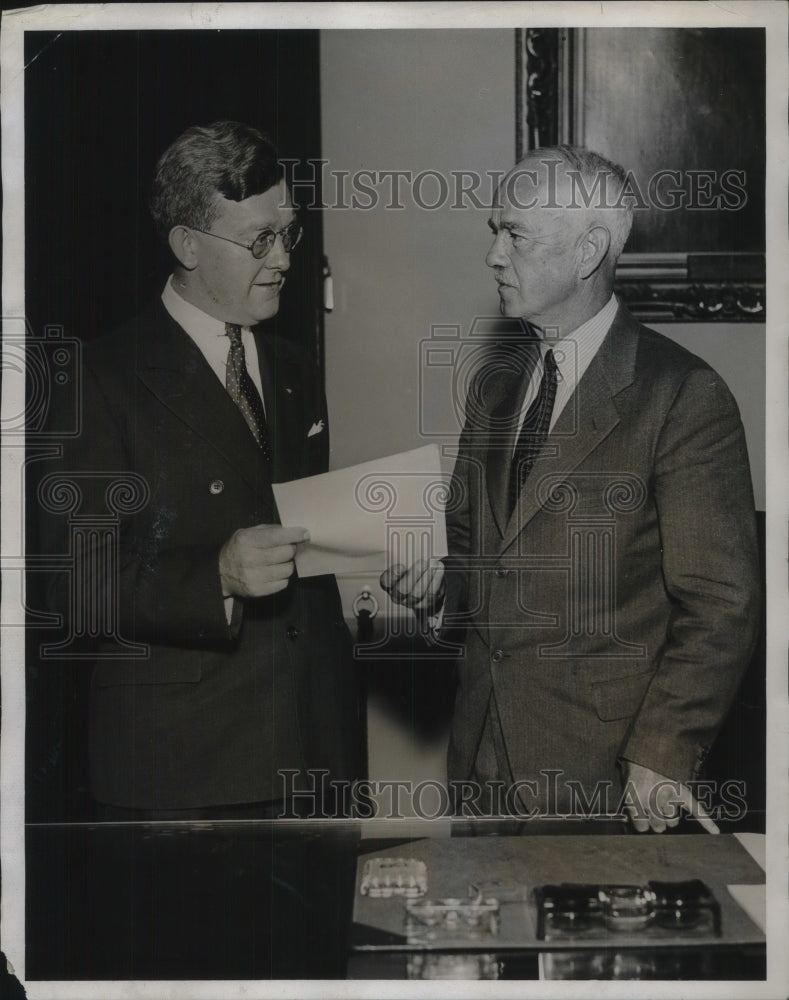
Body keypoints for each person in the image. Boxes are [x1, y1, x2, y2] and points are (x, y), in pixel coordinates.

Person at [382, 146, 759, 832]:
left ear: (588, 251)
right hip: (479, 761)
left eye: (515, 235)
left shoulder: (681, 395)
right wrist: (440, 587)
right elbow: (472, 552)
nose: (493, 256)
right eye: (493, 233)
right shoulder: (495, 390)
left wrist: (663, 751)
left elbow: (720, 603)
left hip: (606, 771)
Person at [38, 121, 362, 818]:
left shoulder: (295, 371)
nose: (281, 260)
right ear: (187, 245)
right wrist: (214, 575)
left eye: (289, 234)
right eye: (258, 241)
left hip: (313, 757)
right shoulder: (98, 378)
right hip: (185, 769)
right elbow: (77, 583)